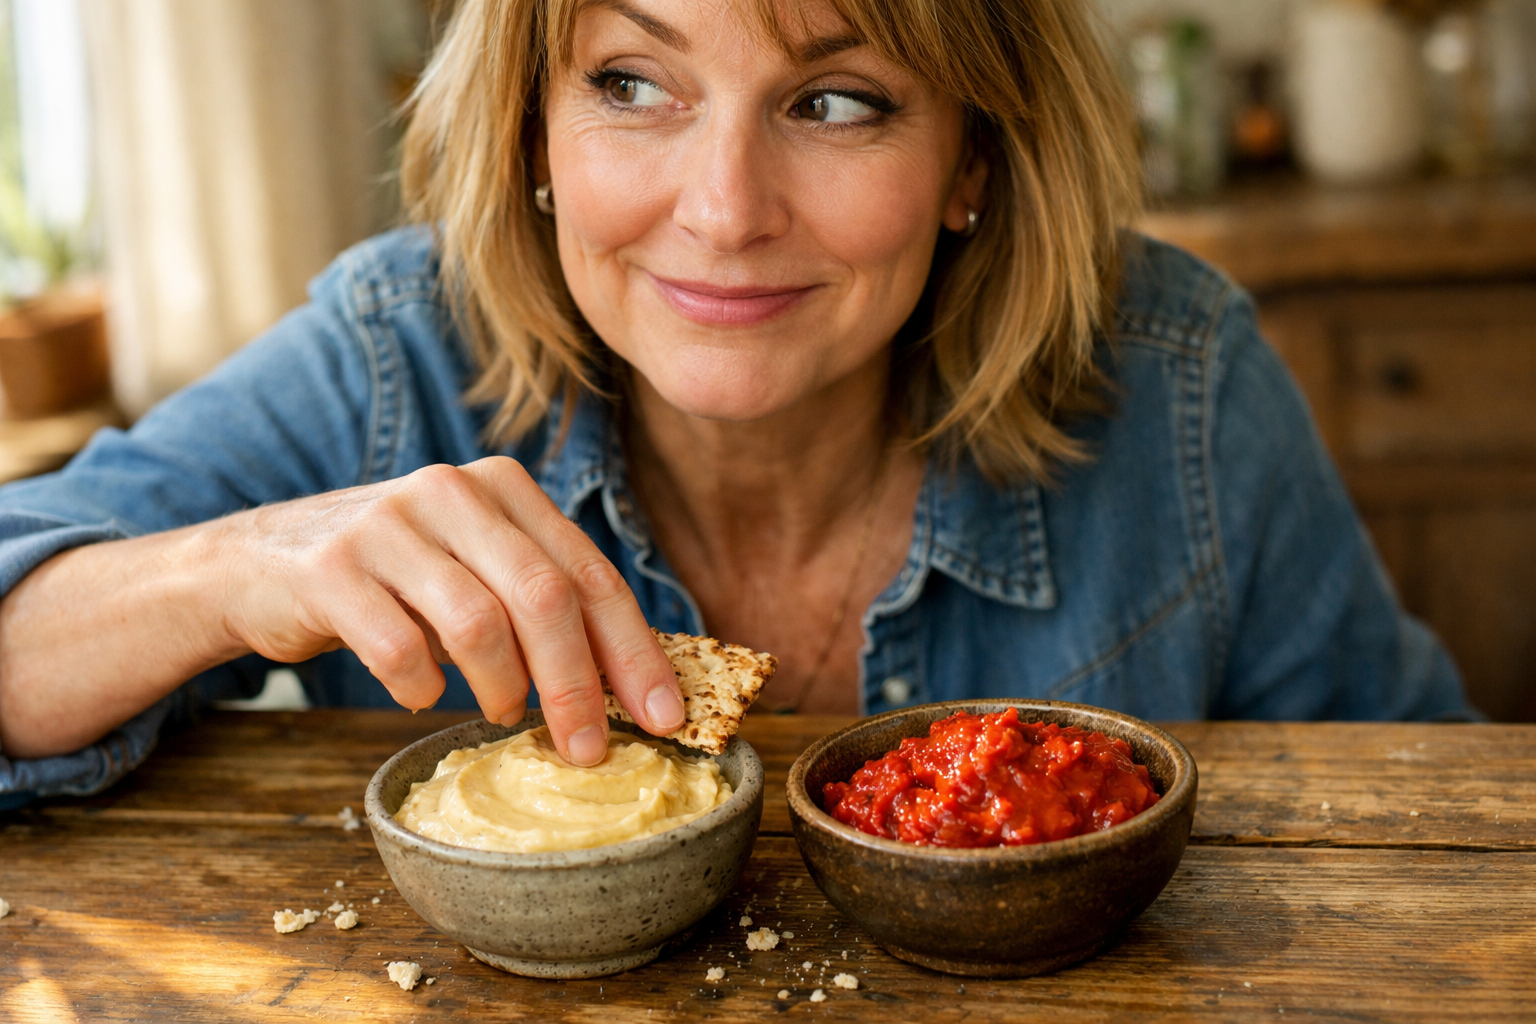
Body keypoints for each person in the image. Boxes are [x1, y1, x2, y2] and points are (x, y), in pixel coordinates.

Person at [0, 0, 1469, 806]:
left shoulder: (1180, 382)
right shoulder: (393, 356)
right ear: (534, 130)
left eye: (836, 103)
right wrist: (231, 566)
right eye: (634, 82)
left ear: (973, 163)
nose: (722, 211)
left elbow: (1430, 829)